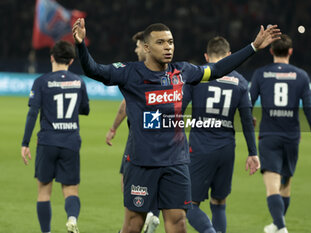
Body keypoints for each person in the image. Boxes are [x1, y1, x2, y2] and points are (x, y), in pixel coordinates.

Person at [72, 18, 280, 233]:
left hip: (175, 162)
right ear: (146, 47)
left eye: (170, 42)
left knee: (178, 222)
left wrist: (253, 47)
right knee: (134, 224)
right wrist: (80, 45)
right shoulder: (129, 72)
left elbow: (217, 70)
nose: (168, 47)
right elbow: (94, 70)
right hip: (142, 162)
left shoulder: (183, 71)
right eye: (161, 42)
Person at [249, 34, 311, 233]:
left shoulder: (260, 74)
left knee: (272, 186)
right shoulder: (301, 75)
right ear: (290, 51)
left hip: (269, 136)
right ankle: (277, 225)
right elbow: (308, 108)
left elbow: (248, 104)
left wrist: (249, 120)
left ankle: (281, 228)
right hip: (292, 137)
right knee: (286, 184)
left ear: (271, 51)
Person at [185, 36, 260, 233]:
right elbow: (247, 120)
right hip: (226, 149)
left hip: (200, 148)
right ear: (229, 56)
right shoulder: (241, 82)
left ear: (206, 56)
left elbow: (178, 109)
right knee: (219, 202)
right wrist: (253, 153)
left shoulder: (196, 76)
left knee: (189, 204)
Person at [21, 40, 90, 233]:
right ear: (71, 61)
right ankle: (72, 218)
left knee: (44, 191)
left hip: (47, 142)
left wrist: (25, 142)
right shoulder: (78, 81)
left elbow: (32, 113)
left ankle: (46, 232)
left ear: (52, 57)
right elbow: (85, 109)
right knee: (71, 190)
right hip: (70, 142)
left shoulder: (41, 82)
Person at [105, 31, 160, 233]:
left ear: (146, 47)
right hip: (162, 139)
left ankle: (138, 220)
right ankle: (152, 213)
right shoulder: (164, 72)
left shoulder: (138, 72)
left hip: (139, 140)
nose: (135, 49)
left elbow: (125, 106)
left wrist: (113, 128)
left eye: (137, 45)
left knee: (129, 184)